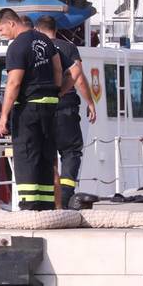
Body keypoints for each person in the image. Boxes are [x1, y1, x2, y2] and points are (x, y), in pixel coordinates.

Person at [0, 8, 63, 210]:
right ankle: (46, 206)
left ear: (11, 23)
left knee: (26, 156)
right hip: (50, 106)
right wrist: (55, 93)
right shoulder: (45, 40)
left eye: (1, 29)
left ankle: (30, 207)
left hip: (28, 108)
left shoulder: (16, 47)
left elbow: (14, 83)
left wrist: (3, 115)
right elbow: (58, 69)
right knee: (45, 156)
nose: (2, 34)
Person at [34, 15, 98, 208]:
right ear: (55, 29)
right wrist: (90, 103)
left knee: (47, 153)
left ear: (37, 29)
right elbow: (78, 77)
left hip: (41, 107)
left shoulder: (36, 48)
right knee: (70, 152)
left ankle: (47, 197)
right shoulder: (68, 48)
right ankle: (66, 194)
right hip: (66, 106)